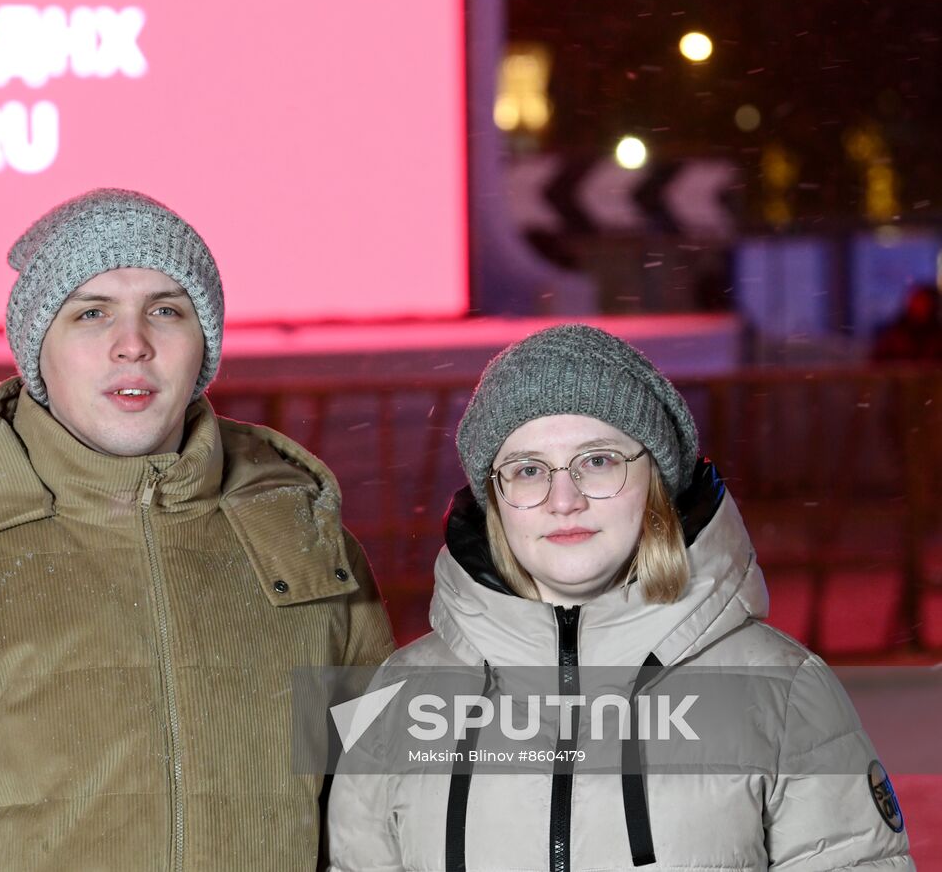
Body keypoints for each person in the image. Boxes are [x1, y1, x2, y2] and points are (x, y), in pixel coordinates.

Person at [0, 188, 395, 870]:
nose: (133, 344)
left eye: (166, 310)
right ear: (37, 351)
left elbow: (382, 822)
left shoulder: (305, 541)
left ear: (205, 343)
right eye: (91, 313)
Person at [327, 324, 913, 870]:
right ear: (494, 502)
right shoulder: (399, 701)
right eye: (528, 470)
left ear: (654, 482)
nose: (564, 499)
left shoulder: (784, 694)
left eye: (598, 461)